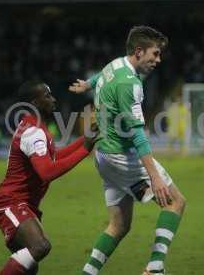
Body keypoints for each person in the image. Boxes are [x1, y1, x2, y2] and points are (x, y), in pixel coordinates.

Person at [69, 25, 186, 275]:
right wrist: (155, 177)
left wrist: (86, 85)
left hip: (103, 156)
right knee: (175, 202)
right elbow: (137, 135)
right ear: (139, 51)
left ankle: (87, 273)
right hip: (121, 156)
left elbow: (100, 76)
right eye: (155, 54)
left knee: (118, 225)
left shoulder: (116, 64)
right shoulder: (129, 85)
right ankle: (155, 268)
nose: (158, 60)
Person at [0, 80, 98, 274]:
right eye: (47, 96)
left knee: (29, 266)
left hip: (23, 204)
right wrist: (85, 149)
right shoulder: (33, 132)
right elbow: (47, 172)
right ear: (34, 103)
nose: (53, 99)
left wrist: (86, 139)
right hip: (10, 203)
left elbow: (54, 157)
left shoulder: (35, 127)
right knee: (40, 246)